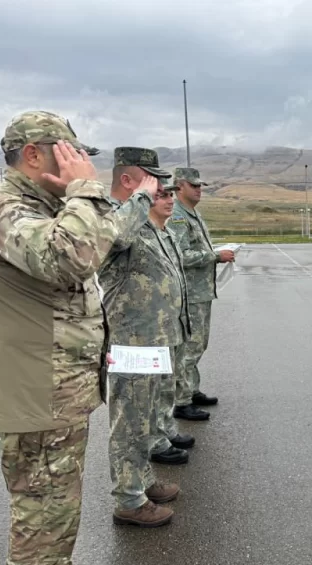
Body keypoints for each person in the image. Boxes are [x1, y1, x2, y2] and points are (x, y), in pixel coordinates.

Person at [0, 111, 121, 565]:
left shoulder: (47, 208)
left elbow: (101, 245)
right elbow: (67, 257)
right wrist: (85, 191)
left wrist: (82, 198)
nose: (80, 165)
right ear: (34, 155)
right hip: (35, 393)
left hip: (58, 392)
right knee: (40, 511)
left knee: (58, 506)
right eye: (68, 153)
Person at [100, 147, 187, 528]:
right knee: (130, 420)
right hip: (131, 341)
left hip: (153, 340)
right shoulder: (112, 216)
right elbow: (115, 240)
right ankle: (128, 499)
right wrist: (140, 198)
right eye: (150, 178)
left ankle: (142, 481)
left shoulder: (142, 220)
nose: (159, 186)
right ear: (127, 180)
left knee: (147, 416)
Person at [169, 167, 235, 415]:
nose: (199, 189)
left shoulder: (192, 214)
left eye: (200, 186)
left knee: (198, 345)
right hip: (190, 294)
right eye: (193, 185)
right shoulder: (177, 216)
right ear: (179, 186)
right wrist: (216, 256)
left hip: (201, 292)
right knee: (189, 347)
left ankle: (191, 389)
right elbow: (179, 255)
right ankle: (182, 401)